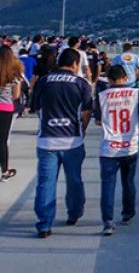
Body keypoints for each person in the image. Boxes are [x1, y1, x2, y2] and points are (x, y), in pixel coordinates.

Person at [31, 48, 93, 237]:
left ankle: (44, 224)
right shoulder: (81, 83)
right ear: (75, 64)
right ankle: (74, 213)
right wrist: (83, 128)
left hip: (47, 141)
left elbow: (35, 107)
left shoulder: (44, 81)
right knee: (74, 180)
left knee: (45, 183)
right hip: (72, 140)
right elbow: (87, 111)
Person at [95, 64, 139, 235]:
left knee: (108, 185)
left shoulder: (101, 95)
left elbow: (98, 120)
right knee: (128, 181)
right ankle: (128, 213)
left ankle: (108, 222)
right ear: (126, 78)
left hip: (108, 148)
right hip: (129, 147)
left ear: (109, 80)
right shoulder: (136, 93)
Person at [0, 45, 24, 181]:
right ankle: (4, 171)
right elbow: (16, 95)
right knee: (2, 141)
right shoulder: (15, 73)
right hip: (5, 108)